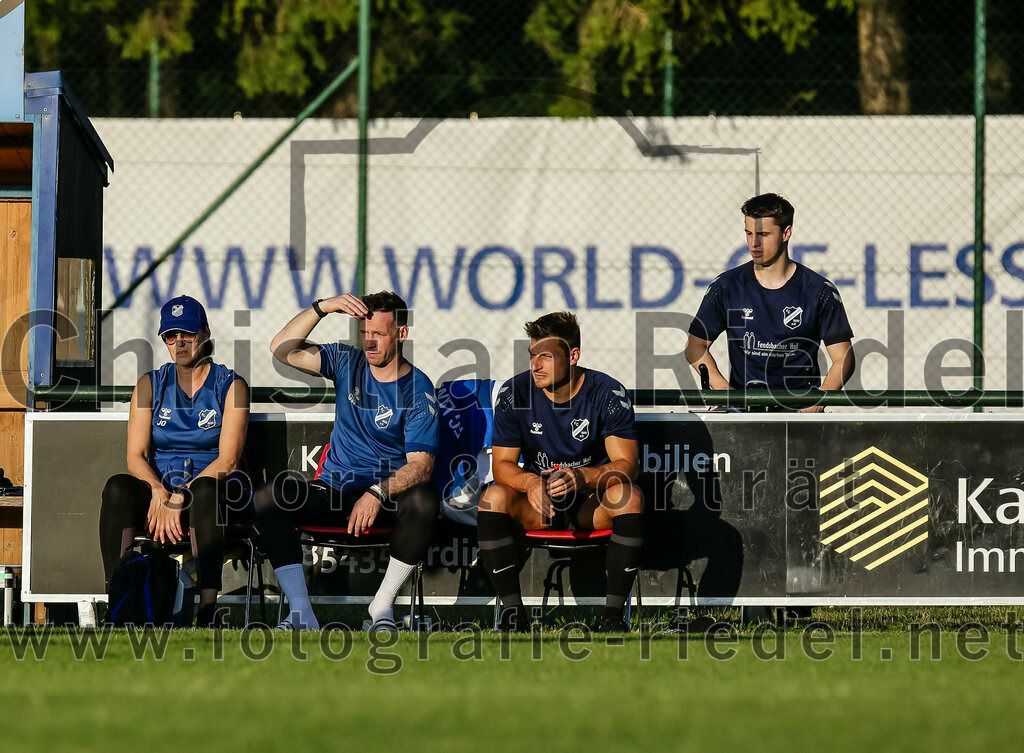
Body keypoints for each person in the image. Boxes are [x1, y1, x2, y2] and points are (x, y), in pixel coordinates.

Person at [255, 291, 439, 631]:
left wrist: (378, 492)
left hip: (382, 500)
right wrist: (324, 307)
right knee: (270, 495)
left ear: (402, 333)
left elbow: (422, 465)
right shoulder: (346, 361)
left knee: (425, 501)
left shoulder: (418, 388)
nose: (369, 343)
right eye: (364, 333)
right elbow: (281, 349)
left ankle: (381, 610)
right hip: (334, 492)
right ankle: (300, 614)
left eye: (378, 334)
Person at [478, 311, 643, 632]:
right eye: (532, 356)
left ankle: (612, 620)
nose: (535, 365)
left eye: (545, 357)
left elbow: (628, 466)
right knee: (493, 497)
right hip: (541, 505)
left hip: (588, 505)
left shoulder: (606, 393)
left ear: (573, 355)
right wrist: (529, 483)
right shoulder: (516, 394)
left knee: (629, 497)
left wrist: (584, 477)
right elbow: (501, 467)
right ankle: (513, 617)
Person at [99, 295, 251, 628]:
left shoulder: (231, 385)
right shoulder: (150, 384)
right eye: (170, 335)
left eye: (187, 333)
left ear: (205, 333)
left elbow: (228, 459)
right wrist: (157, 490)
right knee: (116, 487)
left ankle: (208, 610)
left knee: (208, 491)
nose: (179, 342)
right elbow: (135, 456)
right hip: (161, 493)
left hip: (211, 491)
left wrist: (181, 494)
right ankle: (119, 598)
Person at [685, 193, 855, 410]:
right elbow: (695, 347)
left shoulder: (818, 290)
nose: (754, 243)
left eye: (763, 234)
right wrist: (723, 392)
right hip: (742, 413)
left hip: (799, 415)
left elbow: (844, 358)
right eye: (748, 233)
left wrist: (817, 402)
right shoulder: (727, 287)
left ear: (786, 233)